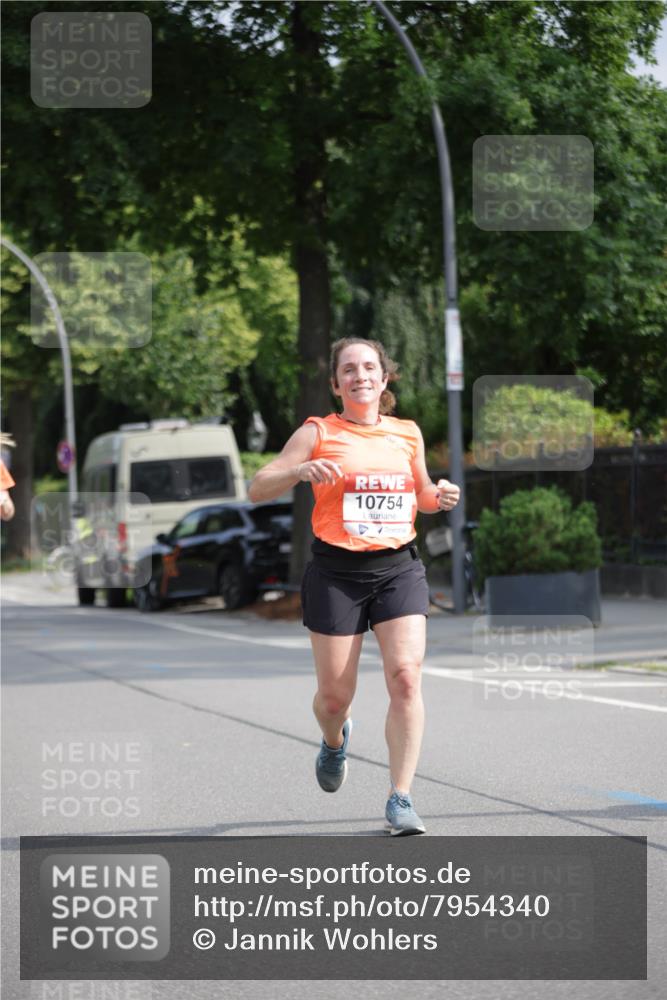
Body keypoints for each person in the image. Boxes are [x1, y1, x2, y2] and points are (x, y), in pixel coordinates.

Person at [248, 338, 460, 835]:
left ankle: (400, 798)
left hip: (398, 568)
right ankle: (334, 740)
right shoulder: (318, 431)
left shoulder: (406, 433)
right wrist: (299, 470)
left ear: (384, 379)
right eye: (349, 369)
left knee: (405, 677)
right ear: (335, 383)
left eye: (369, 367)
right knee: (334, 699)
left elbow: (421, 494)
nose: (360, 375)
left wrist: (440, 496)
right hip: (336, 574)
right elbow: (258, 487)